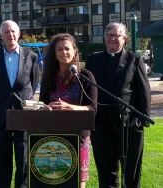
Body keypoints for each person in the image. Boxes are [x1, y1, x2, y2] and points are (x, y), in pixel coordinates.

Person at [85, 22, 151, 187]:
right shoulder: (93, 60)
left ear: (125, 38)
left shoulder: (134, 59)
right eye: (109, 35)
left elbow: (144, 92)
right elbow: (87, 89)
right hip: (101, 125)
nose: (113, 39)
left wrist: (142, 120)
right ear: (104, 38)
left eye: (117, 36)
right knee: (106, 171)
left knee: (131, 172)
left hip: (128, 124)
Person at [0, 20, 40, 188]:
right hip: (1, 111)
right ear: (1, 35)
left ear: (19, 33)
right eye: (6, 32)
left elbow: (34, 81)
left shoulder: (31, 55)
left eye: (13, 31)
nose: (11, 35)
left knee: (23, 153)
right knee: (1, 153)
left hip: (22, 112)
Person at [39, 33, 97, 188]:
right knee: (55, 179)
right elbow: (42, 103)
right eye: (59, 49)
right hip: (53, 137)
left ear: (74, 51)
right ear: (54, 53)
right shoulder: (48, 76)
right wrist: (45, 107)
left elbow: (92, 108)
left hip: (79, 136)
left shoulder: (85, 75)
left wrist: (71, 107)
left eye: (67, 49)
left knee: (78, 181)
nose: (64, 52)